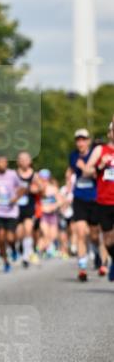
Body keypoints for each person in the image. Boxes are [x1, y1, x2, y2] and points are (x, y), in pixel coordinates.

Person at [69, 128, 105, 280]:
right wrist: (90, 169)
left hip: (94, 198)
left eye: (83, 139)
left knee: (95, 235)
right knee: (80, 232)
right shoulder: (73, 155)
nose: (80, 143)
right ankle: (82, 267)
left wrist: (86, 168)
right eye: (78, 140)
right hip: (79, 198)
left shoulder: (95, 154)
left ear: (88, 141)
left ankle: (98, 255)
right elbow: (84, 171)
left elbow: (94, 173)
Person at [83, 119, 114, 281]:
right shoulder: (100, 150)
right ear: (109, 134)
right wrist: (99, 166)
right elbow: (86, 171)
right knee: (108, 241)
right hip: (104, 201)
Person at [15, 151, 40, 268]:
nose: (24, 161)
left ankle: (26, 255)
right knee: (19, 233)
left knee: (28, 229)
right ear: (18, 161)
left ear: (30, 161)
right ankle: (21, 249)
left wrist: (34, 189)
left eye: (26, 159)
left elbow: (41, 189)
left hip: (29, 206)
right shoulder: (14, 174)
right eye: (22, 159)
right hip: (16, 207)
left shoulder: (34, 175)